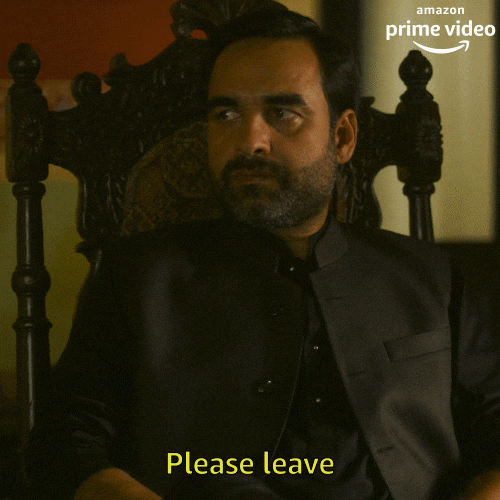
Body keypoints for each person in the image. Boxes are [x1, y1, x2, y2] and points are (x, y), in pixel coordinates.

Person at [27, 5, 500, 500]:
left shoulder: (434, 277)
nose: (249, 141)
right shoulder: (137, 278)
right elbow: (66, 442)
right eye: (226, 114)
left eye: (282, 113)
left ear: (342, 137)